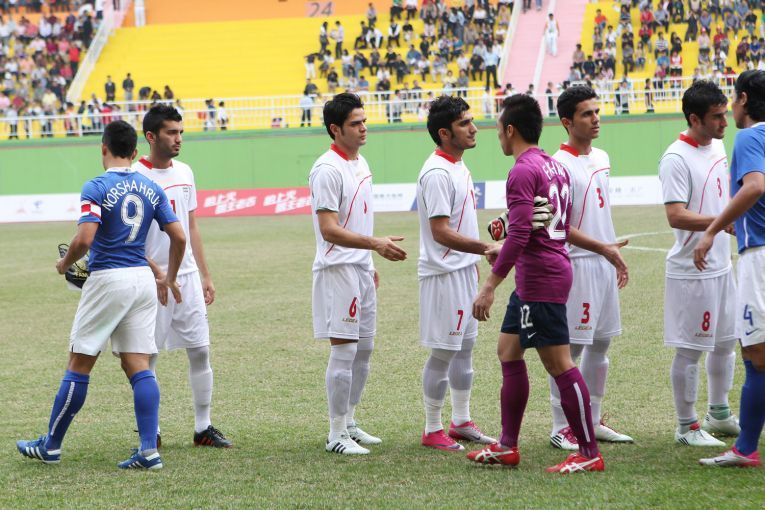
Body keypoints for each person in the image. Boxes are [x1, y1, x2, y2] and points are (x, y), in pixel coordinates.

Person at [16, 120, 185, 469]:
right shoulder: (151, 187)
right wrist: (168, 276)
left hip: (108, 278)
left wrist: (64, 264)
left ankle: (51, 446)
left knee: (79, 363)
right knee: (138, 364)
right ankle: (148, 451)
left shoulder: (96, 186)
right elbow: (179, 237)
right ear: (135, 152)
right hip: (141, 281)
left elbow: (85, 239)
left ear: (103, 148)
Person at [467, 94, 605, 473]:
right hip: (540, 271)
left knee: (559, 363)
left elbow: (522, 233)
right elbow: (539, 225)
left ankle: (589, 453)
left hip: (542, 275)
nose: (498, 136)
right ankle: (507, 446)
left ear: (510, 130)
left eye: (498, 130)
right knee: (508, 350)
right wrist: (510, 235)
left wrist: (489, 285)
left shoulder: (522, 170)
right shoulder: (554, 166)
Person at [309, 93, 407, 455]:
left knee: (364, 349)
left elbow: (357, 219)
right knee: (345, 350)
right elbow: (329, 229)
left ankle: (349, 422)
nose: (364, 128)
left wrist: (370, 260)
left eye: (364, 121)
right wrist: (375, 244)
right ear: (335, 129)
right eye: (355, 123)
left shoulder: (361, 162)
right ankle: (336, 434)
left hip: (361, 268)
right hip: (338, 270)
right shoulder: (327, 169)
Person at [134, 105, 233, 448]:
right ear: (151, 137)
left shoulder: (186, 172)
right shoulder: (135, 177)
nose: (178, 139)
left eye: (180, 132)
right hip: (154, 281)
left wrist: (205, 274)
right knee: (148, 356)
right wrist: (156, 271)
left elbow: (191, 227)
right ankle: (152, 431)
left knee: (200, 350)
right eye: (171, 132)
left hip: (187, 277)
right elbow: (129, 237)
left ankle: (202, 427)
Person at [547, 86, 633, 452]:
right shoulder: (558, 165)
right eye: (587, 114)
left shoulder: (603, 157)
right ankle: (561, 425)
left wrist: (609, 253)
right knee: (571, 349)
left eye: (596, 112)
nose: (596, 119)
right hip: (577, 265)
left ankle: (592, 420)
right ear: (567, 122)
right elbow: (559, 225)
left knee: (601, 343)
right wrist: (602, 248)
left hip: (603, 263)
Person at [658, 80, 739, 448]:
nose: (724, 122)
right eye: (716, 117)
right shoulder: (675, 158)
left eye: (725, 114)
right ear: (694, 119)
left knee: (726, 342)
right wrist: (721, 222)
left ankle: (718, 412)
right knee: (691, 349)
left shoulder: (718, 146)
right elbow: (675, 215)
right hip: (693, 270)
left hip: (722, 264)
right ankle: (686, 426)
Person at [417, 96, 496, 452]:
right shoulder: (436, 172)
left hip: (464, 271)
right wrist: (485, 247)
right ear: (444, 133)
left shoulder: (458, 166)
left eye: (471, 121)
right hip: (443, 275)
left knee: (465, 349)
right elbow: (440, 232)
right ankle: (432, 428)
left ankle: (461, 421)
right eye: (464, 123)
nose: (474, 128)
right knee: (443, 353)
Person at [696, 70, 765, 467]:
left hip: (760, 257)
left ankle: (746, 448)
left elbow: (754, 186)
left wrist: (711, 230)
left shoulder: (751, 137)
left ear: (743, 100)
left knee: (756, 354)